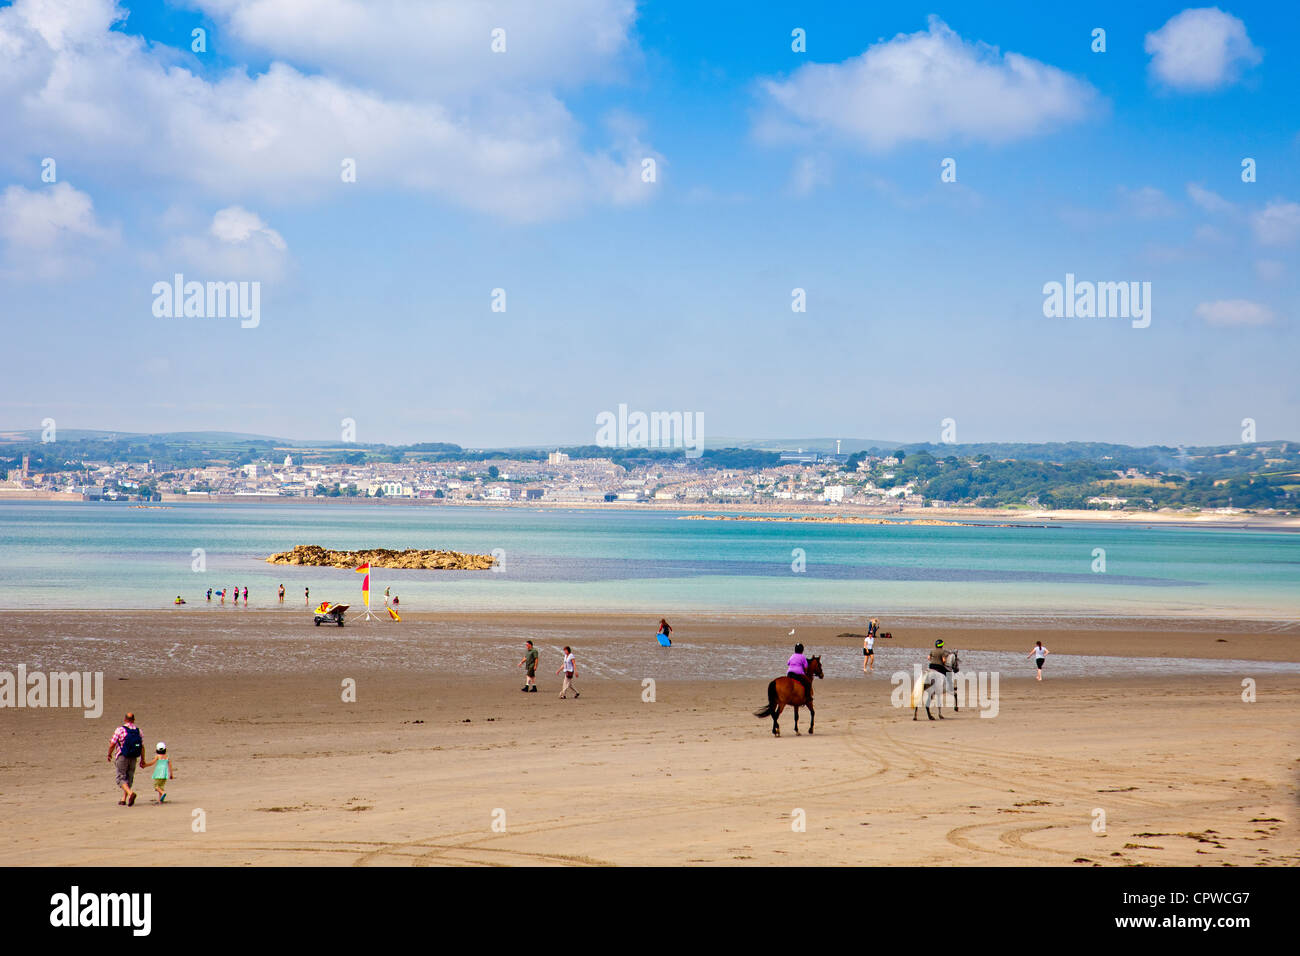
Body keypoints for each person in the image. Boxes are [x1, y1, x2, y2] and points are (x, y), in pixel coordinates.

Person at [107, 712, 144, 806]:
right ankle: (123, 799)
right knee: (129, 777)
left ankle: (131, 793)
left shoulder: (120, 730)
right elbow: (142, 747)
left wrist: (109, 754)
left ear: (125, 719)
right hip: (134, 757)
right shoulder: (138, 731)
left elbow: (112, 744)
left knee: (120, 778)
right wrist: (142, 759)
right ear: (134, 720)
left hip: (122, 756)